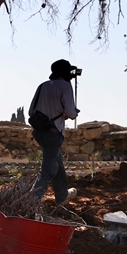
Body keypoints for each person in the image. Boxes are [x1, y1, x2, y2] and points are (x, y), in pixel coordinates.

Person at [28, 59, 80, 205]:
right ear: (65, 72)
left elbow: (31, 111)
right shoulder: (65, 87)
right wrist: (73, 113)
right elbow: (70, 112)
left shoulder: (42, 86)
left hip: (39, 132)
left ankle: (62, 195)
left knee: (58, 164)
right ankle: (31, 202)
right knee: (48, 170)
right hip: (53, 133)